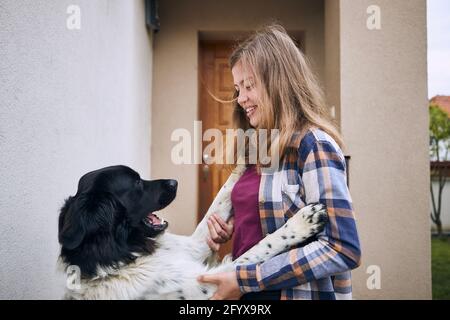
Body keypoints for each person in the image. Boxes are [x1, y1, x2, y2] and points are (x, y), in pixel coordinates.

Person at [197, 24, 361, 300]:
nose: (241, 99)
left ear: (279, 82)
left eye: (249, 86)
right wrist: (231, 226)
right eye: (238, 88)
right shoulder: (258, 147)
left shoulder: (314, 145)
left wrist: (248, 279)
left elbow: (342, 246)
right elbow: (264, 216)